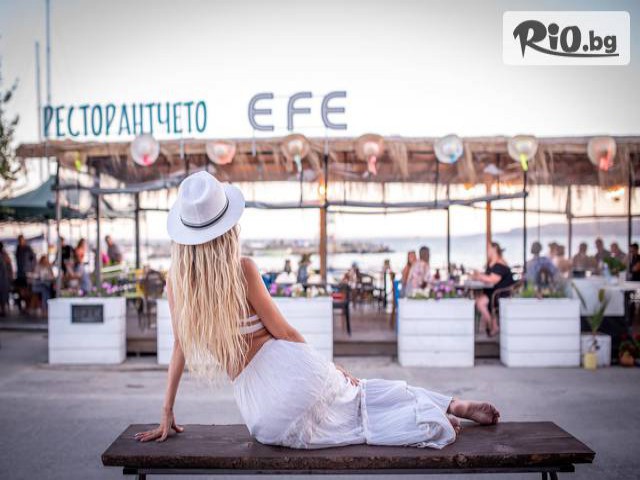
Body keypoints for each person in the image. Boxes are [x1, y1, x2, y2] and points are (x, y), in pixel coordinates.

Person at [135, 172, 499, 449]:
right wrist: (328, 367)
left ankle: (428, 419)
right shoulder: (242, 270)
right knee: (360, 394)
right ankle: (446, 406)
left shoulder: (176, 284)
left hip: (264, 415)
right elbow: (284, 333)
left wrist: (166, 411)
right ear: (228, 227)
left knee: (352, 426)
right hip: (293, 371)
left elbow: (180, 346)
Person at [472, 242, 515, 337]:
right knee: (479, 300)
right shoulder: (492, 263)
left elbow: (493, 280)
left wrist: (479, 276)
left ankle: (492, 325)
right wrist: (480, 276)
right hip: (493, 292)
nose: (487, 251)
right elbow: (488, 278)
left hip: (501, 293)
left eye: (489, 249)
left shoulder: (500, 264)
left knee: (480, 303)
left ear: (494, 249)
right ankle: (493, 325)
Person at [0, 242, 13, 316]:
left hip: (4, 278)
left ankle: (3, 309)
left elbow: (9, 267)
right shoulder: (5, 255)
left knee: (3, 294)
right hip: (4, 278)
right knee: (3, 294)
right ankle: (3, 309)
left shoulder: (4, 255)